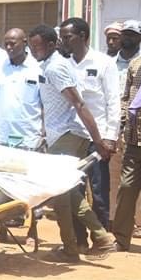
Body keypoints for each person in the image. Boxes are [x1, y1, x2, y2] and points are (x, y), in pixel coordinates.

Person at [28, 25, 115, 260]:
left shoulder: (55, 67)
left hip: (68, 134)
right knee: (63, 193)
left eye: (37, 45)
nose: (33, 49)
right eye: (31, 45)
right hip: (61, 134)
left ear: (51, 44)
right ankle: (75, 246)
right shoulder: (50, 64)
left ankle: (97, 237)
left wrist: (98, 140)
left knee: (61, 192)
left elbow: (79, 104)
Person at [59, 17, 119, 248]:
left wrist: (110, 137)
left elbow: (113, 102)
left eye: (68, 37)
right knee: (74, 189)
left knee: (99, 190)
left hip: (98, 138)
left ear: (82, 36)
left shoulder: (103, 63)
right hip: (73, 137)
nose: (63, 41)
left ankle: (101, 239)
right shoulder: (64, 65)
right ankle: (79, 240)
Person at [113, 21, 141, 257]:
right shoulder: (136, 64)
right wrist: (121, 123)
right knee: (127, 189)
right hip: (133, 140)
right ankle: (121, 239)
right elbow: (126, 97)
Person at [0, 28, 43, 150]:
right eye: (6, 44)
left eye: (12, 43)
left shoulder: (38, 68)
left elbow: (44, 104)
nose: (8, 47)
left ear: (24, 42)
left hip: (27, 138)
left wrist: (44, 133)